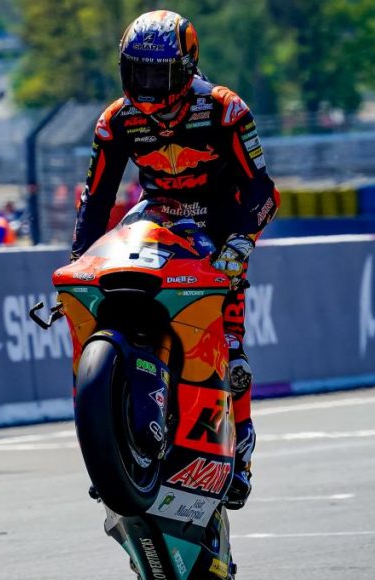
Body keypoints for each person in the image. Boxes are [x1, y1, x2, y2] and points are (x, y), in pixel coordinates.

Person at [71, 10, 280, 509]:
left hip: (219, 227)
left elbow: (263, 192)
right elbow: (96, 199)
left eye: (156, 74)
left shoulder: (225, 110)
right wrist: (80, 260)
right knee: (99, 294)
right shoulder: (115, 120)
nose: (145, 86)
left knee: (230, 346)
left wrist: (240, 244)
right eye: (136, 72)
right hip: (156, 218)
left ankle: (241, 452)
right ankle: (111, 441)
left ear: (186, 69)